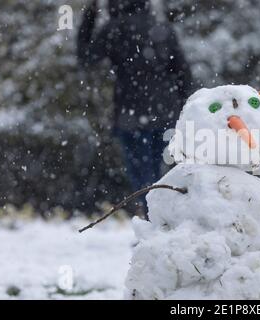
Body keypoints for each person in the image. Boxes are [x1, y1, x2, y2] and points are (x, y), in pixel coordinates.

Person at [77, 0, 193, 213]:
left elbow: (85, 57)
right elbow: (183, 73)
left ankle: (153, 219)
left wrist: (89, 16)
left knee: (141, 172)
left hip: (131, 113)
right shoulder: (161, 28)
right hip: (165, 110)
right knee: (157, 169)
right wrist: (185, 108)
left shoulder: (114, 30)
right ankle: (160, 219)